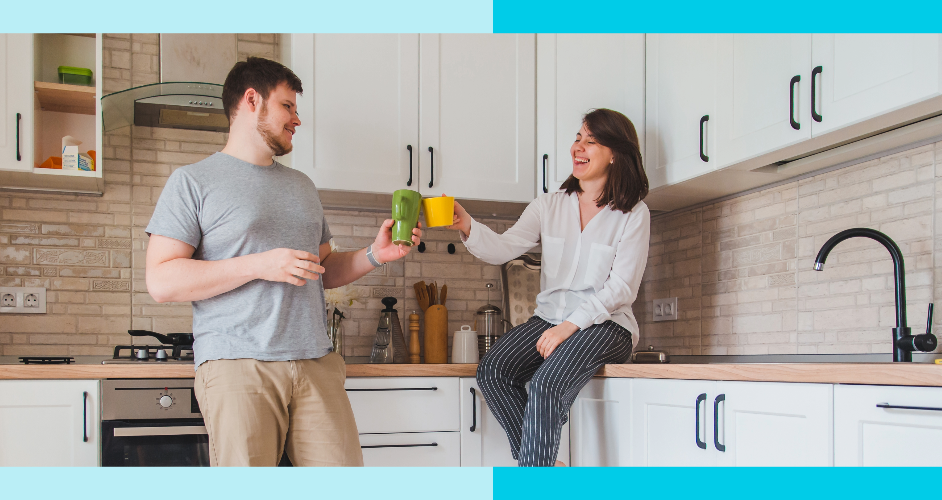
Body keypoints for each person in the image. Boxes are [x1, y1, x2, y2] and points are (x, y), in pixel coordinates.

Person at [144, 57, 419, 467]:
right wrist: (258, 264)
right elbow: (162, 281)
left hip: (315, 361)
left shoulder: (301, 185)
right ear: (252, 100)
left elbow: (322, 269)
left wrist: (375, 254)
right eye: (288, 106)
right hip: (238, 364)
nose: (297, 120)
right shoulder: (193, 181)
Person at [449, 108, 651, 467]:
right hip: (550, 320)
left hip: (607, 325)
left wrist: (570, 326)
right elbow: (504, 248)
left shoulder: (633, 213)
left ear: (615, 153)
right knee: (493, 371)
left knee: (546, 385)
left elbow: (621, 288)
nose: (578, 146)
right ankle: (541, 471)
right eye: (577, 138)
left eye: (591, 140)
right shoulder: (549, 205)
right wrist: (467, 225)